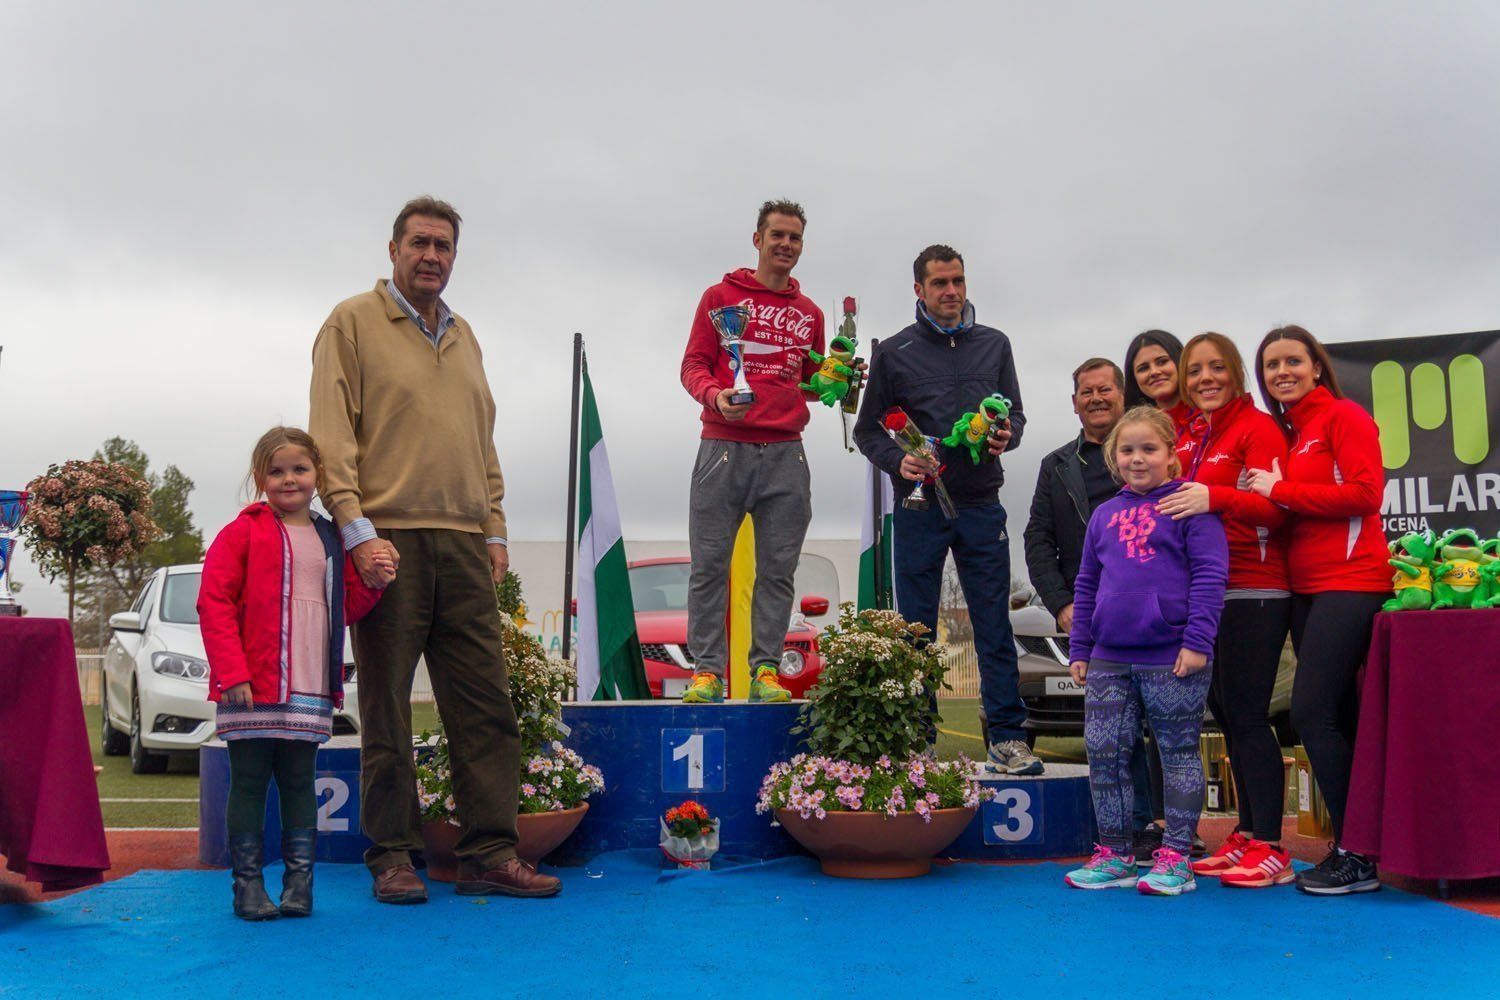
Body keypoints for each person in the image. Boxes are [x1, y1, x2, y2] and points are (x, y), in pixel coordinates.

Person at [309, 196, 560, 903]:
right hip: (387, 541)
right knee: (387, 707)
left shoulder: (465, 335)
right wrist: (357, 533)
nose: (432, 256)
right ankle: (392, 856)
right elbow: (331, 438)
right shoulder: (351, 322)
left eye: (444, 246)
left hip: (464, 545)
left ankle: (489, 852)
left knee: (487, 706)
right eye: (420, 243)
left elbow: (482, 442)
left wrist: (496, 529)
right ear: (393, 250)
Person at [854, 244, 1040, 775]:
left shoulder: (995, 344)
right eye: (939, 283)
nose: (951, 292)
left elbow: (1017, 416)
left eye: (958, 280)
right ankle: (915, 742)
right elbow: (869, 431)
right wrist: (899, 461)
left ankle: (1007, 738)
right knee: (915, 628)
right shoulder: (894, 352)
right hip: (919, 506)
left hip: (982, 504)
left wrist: (1007, 435)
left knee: (993, 626)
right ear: (919, 290)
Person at [198, 427, 389, 920]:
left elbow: (345, 604)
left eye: (299, 469)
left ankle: (299, 886)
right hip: (252, 683)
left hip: (308, 680)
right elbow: (214, 603)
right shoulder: (242, 532)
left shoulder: (330, 536)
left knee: (301, 782)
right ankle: (247, 887)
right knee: (249, 781)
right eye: (276, 471)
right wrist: (232, 672)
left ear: (317, 475)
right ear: (260, 478)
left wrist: (378, 580)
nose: (289, 479)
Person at [1244, 324, 1388, 896]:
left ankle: (1357, 851)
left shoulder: (1344, 417)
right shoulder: (1293, 432)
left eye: (1293, 361)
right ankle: (1361, 846)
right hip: (1306, 588)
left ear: (1316, 366)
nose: (1283, 372)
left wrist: (1279, 491)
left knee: (1310, 713)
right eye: (1272, 364)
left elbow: (1365, 493)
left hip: (1351, 581)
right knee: (1341, 717)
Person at [1063, 406, 1228, 895]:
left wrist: (1197, 642)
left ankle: (1176, 857)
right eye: (1127, 450)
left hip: (1172, 655)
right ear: (1114, 458)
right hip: (1109, 658)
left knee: (1176, 752)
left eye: (1149, 449)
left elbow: (1210, 576)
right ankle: (1114, 853)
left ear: (1171, 455)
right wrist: (1081, 647)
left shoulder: (1190, 506)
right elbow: (1088, 583)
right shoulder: (1103, 515)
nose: (1138, 459)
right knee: (1104, 753)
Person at [678, 199, 827, 704]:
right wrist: (716, 396)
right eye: (778, 235)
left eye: (796, 238)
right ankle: (706, 673)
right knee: (708, 566)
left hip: (787, 452)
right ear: (758, 238)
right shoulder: (720, 297)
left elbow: (808, 382)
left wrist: (837, 382)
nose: (786, 245)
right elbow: (694, 365)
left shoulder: (811, 314)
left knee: (778, 570)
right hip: (723, 447)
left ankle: (765, 670)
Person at [1158, 333, 1293, 887]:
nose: (1204, 379)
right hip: (1210, 595)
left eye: (1216, 368)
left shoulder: (1257, 427)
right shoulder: (1194, 433)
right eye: (1195, 371)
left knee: (1251, 715)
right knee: (1231, 719)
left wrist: (1217, 498)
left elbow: (1279, 509)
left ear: (1236, 373)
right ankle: (1247, 832)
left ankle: (1273, 847)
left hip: (1256, 588)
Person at [1024, 358, 1162, 852]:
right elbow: (1037, 539)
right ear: (1075, 401)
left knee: (1159, 727)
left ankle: (1166, 829)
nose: (1097, 398)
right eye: (1087, 391)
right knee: (1113, 730)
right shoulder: (1056, 465)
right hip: (1095, 618)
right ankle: (1127, 830)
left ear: (1123, 396)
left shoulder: (1152, 456)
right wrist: (1063, 605)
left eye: (1106, 389)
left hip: (1154, 620)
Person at [1124, 329, 1194, 436]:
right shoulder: (1134, 431)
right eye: (1143, 368)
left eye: (1162, 362)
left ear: (1180, 361)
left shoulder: (1208, 414)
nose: (1154, 372)